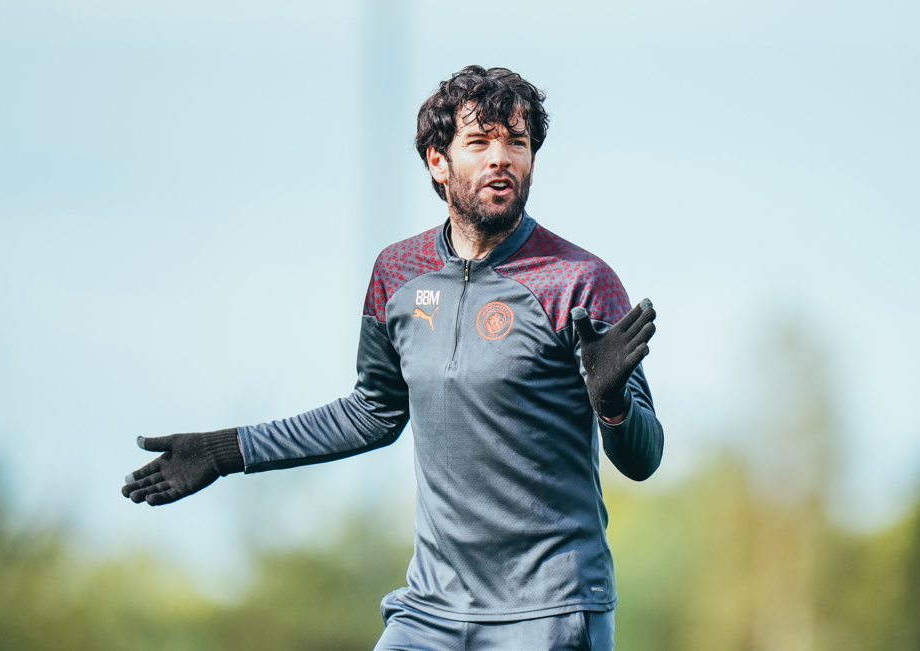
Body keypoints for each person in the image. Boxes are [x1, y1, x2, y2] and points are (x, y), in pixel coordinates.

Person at [122, 65, 663, 650]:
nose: (501, 157)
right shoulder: (396, 274)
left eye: (517, 141)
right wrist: (226, 451)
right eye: (479, 142)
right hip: (430, 613)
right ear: (438, 160)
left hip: (548, 614)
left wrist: (612, 407)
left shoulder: (579, 281)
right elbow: (372, 412)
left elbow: (644, 457)